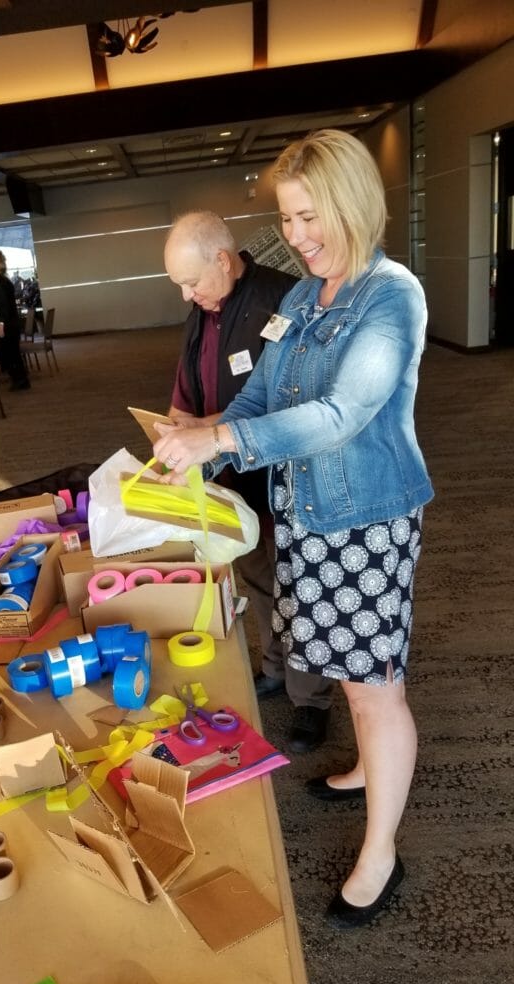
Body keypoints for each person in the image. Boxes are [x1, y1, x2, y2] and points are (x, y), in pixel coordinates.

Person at [153, 129, 433, 928]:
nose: (299, 236)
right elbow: (260, 402)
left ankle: (381, 851)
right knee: (347, 663)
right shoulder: (302, 301)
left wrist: (223, 440)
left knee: (376, 687)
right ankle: (365, 773)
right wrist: (203, 448)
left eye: (311, 216)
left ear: (351, 203)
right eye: (288, 219)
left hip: (368, 516)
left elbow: (342, 414)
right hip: (308, 513)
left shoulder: (391, 295)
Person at [164, 210, 333, 753]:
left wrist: (204, 433)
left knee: (301, 585)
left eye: (192, 282)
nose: (187, 295)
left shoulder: (282, 300)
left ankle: (313, 700)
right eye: (180, 286)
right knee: (259, 579)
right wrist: (171, 430)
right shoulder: (204, 308)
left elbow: (289, 406)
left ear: (221, 259)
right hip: (231, 478)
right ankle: (276, 666)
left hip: (286, 477)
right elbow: (185, 391)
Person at [0, 250, 30, 391]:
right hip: (13, 323)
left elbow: (3, 307)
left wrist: (1, 324)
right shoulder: (6, 281)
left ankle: (19, 380)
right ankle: (21, 380)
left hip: (8, 324)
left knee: (9, 353)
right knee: (14, 353)